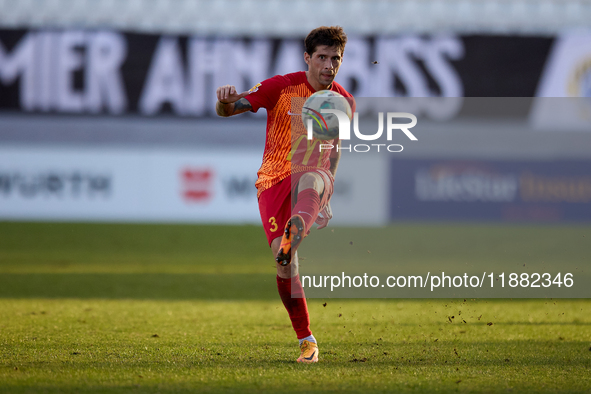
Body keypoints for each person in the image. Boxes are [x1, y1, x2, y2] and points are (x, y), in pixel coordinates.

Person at [215, 26, 353, 364]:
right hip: (273, 181)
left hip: (313, 180)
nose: (329, 66)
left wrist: (328, 192)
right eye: (322, 57)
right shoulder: (281, 86)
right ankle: (307, 339)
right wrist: (223, 100)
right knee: (284, 262)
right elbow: (229, 110)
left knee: (313, 178)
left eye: (335, 59)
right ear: (308, 57)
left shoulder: (342, 100)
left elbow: (333, 153)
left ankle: (299, 224)